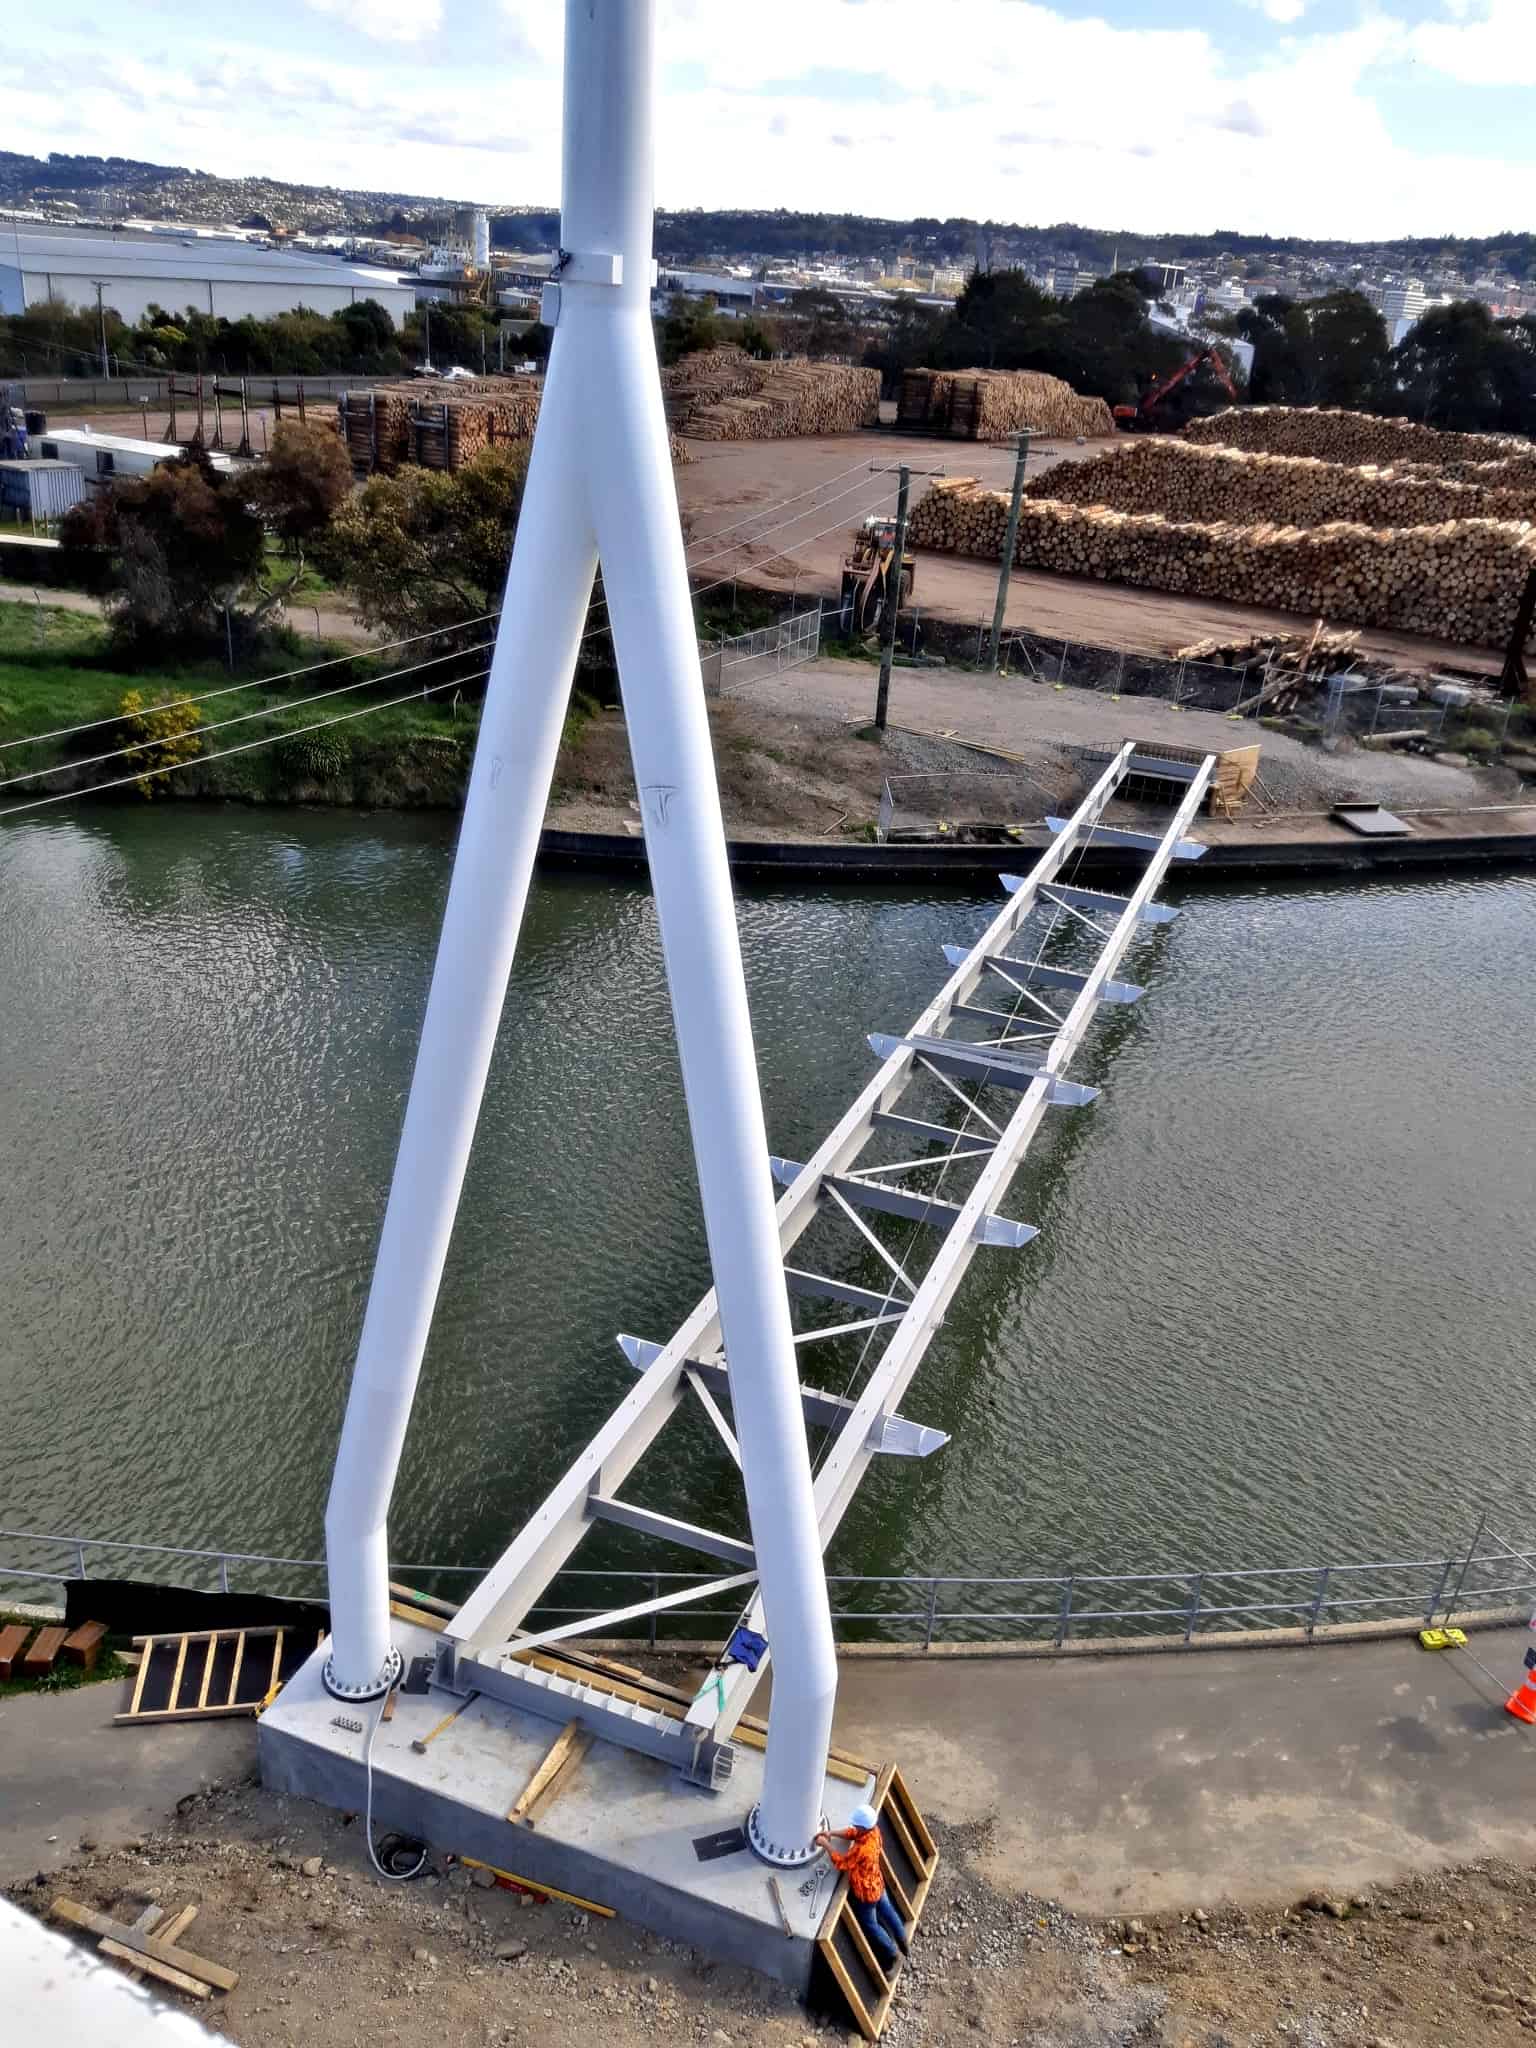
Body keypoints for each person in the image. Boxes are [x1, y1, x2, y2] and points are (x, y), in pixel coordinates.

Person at [815, 1804, 908, 1970]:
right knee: (888, 1911)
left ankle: (894, 1954)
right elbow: (855, 1833)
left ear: (863, 1827)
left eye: (857, 1825)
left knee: (871, 1925)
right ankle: (903, 1939)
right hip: (878, 1884)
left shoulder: (862, 1850)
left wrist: (825, 1844)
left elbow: (842, 1863)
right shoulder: (874, 1832)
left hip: (866, 1895)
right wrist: (832, 1833)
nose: (854, 1827)